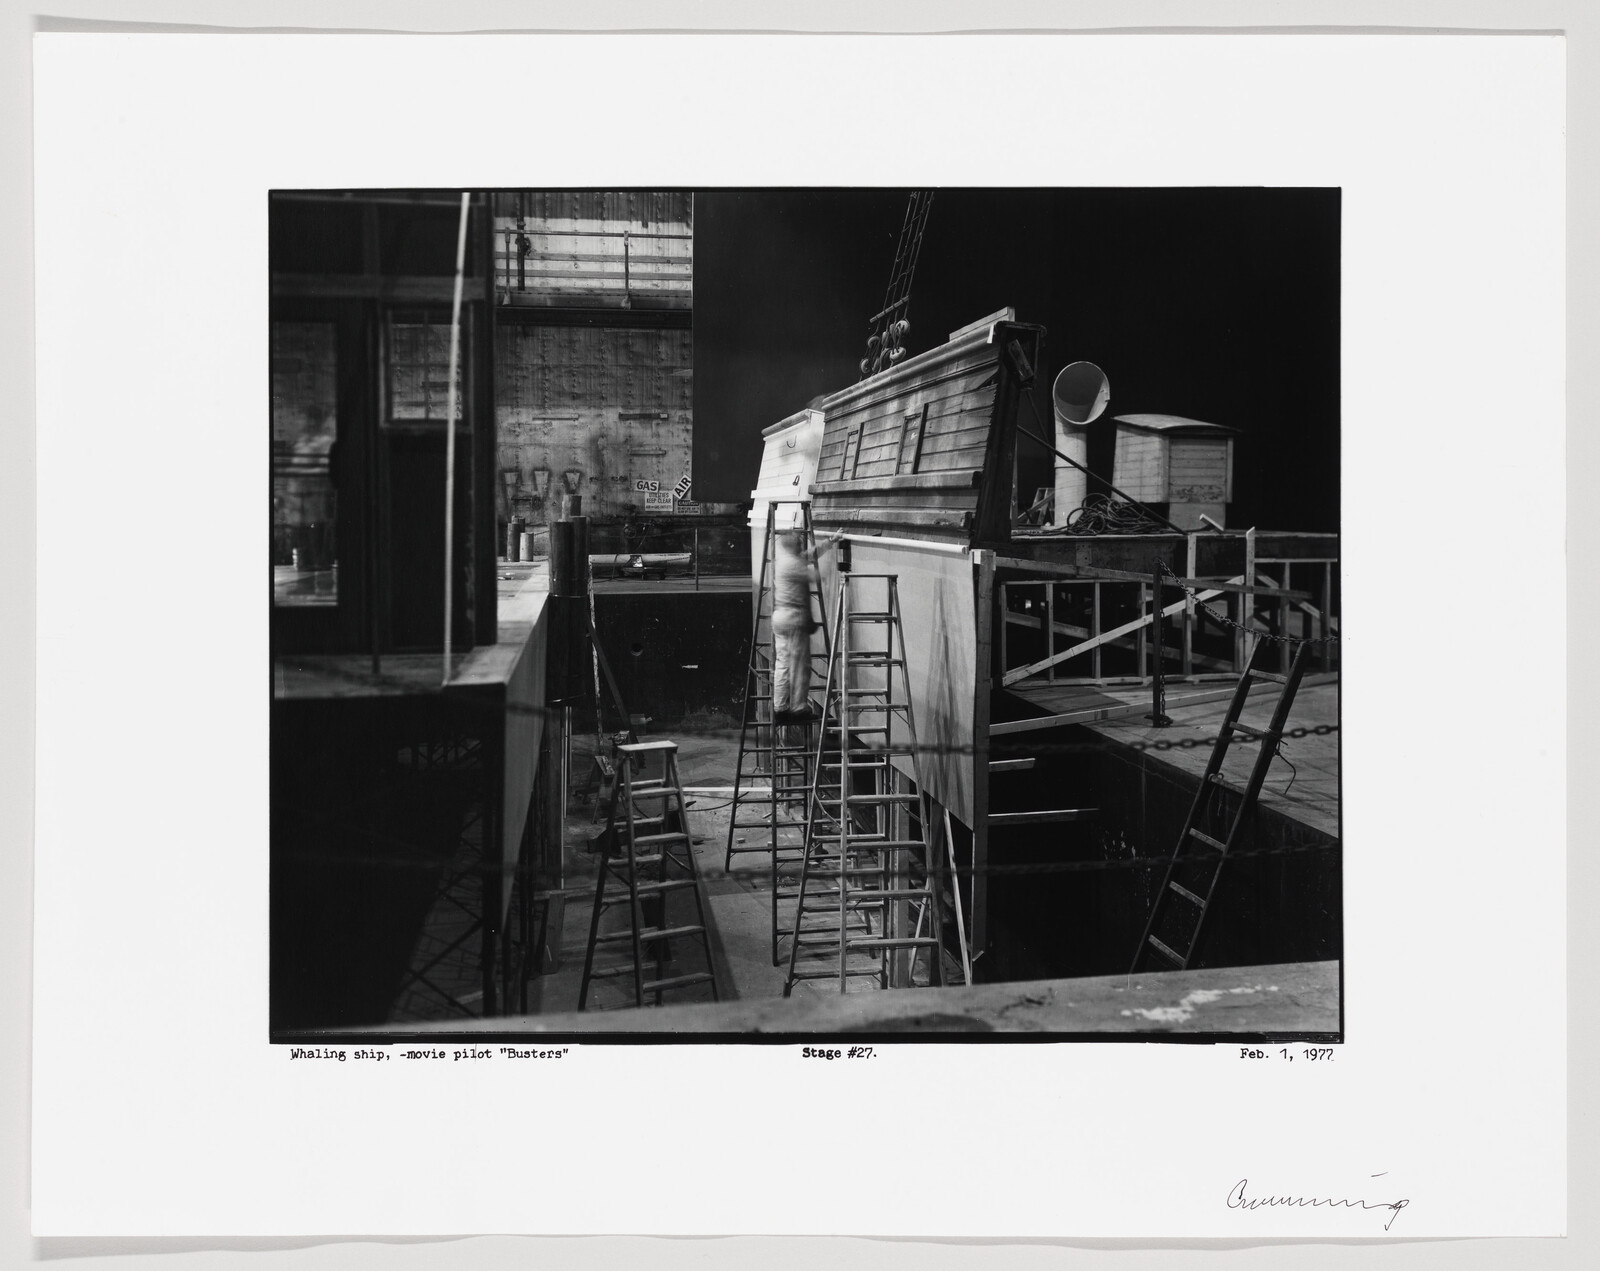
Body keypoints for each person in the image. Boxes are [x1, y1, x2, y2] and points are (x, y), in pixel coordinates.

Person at [770, 527, 843, 724]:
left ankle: (780, 708)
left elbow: (811, 554)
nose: (802, 544)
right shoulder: (793, 564)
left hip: (780, 617)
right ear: (793, 545)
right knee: (801, 666)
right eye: (799, 541)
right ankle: (798, 707)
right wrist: (828, 571)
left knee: (783, 664)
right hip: (794, 618)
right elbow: (816, 576)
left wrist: (831, 540)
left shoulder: (784, 561)